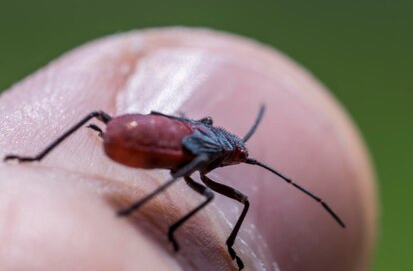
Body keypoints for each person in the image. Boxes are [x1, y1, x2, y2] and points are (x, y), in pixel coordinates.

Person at [0, 27, 377, 271]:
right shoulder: (208, 149)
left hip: (133, 135)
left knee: (99, 119)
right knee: (226, 199)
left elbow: (188, 125)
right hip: (138, 143)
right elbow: (185, 149)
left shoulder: (206, 131)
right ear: (228, 153)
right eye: (236, 157)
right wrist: (144, 211)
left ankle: (36, 159)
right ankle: (37, 158)